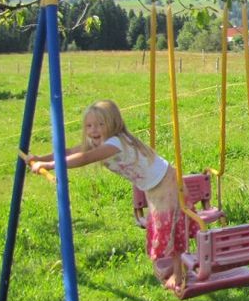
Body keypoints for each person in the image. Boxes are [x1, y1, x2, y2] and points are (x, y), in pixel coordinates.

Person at [27, 99, 194, 284]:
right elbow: (70, 151)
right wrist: (41, 158)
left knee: (171, 227)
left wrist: (51, 165)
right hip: (153, 187)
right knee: (164, 228)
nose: (93, 130)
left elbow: (84, 158)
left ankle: (180, 274)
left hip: (166, 183)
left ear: (112, 124)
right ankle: (176, 268)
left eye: (100, 125)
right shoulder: (101, 141)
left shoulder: (115, 143)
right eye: (89, 125)